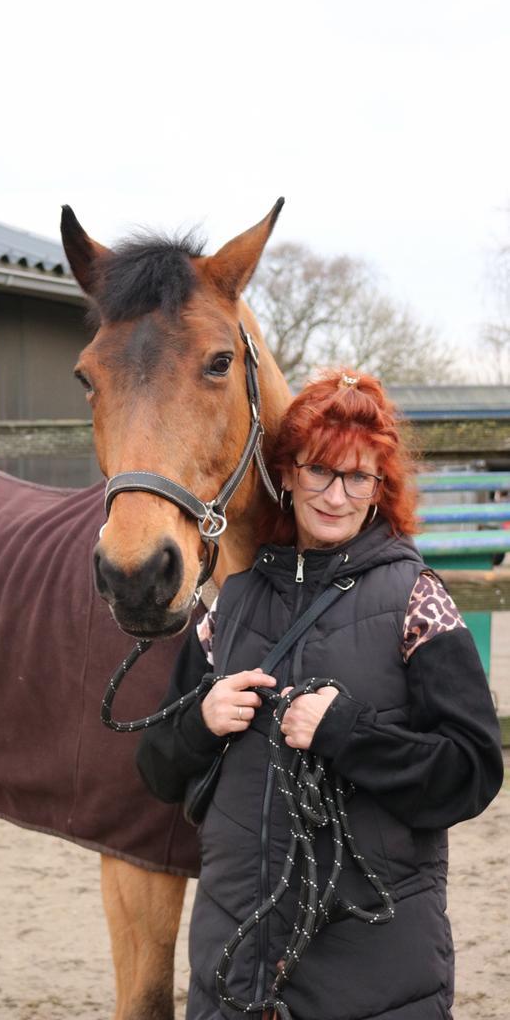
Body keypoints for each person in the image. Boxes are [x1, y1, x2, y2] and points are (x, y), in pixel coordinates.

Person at [136, 369, 503, 1020]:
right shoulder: (230, 608)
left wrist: (347, 734)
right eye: (319, 471)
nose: (336, 495)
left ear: (377, 488)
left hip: (375, 963)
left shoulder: (418, 601)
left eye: (357, 477)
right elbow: (157, 769)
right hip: (236, 957)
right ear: (287, 474)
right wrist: (200, 720)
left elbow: (470, 773)